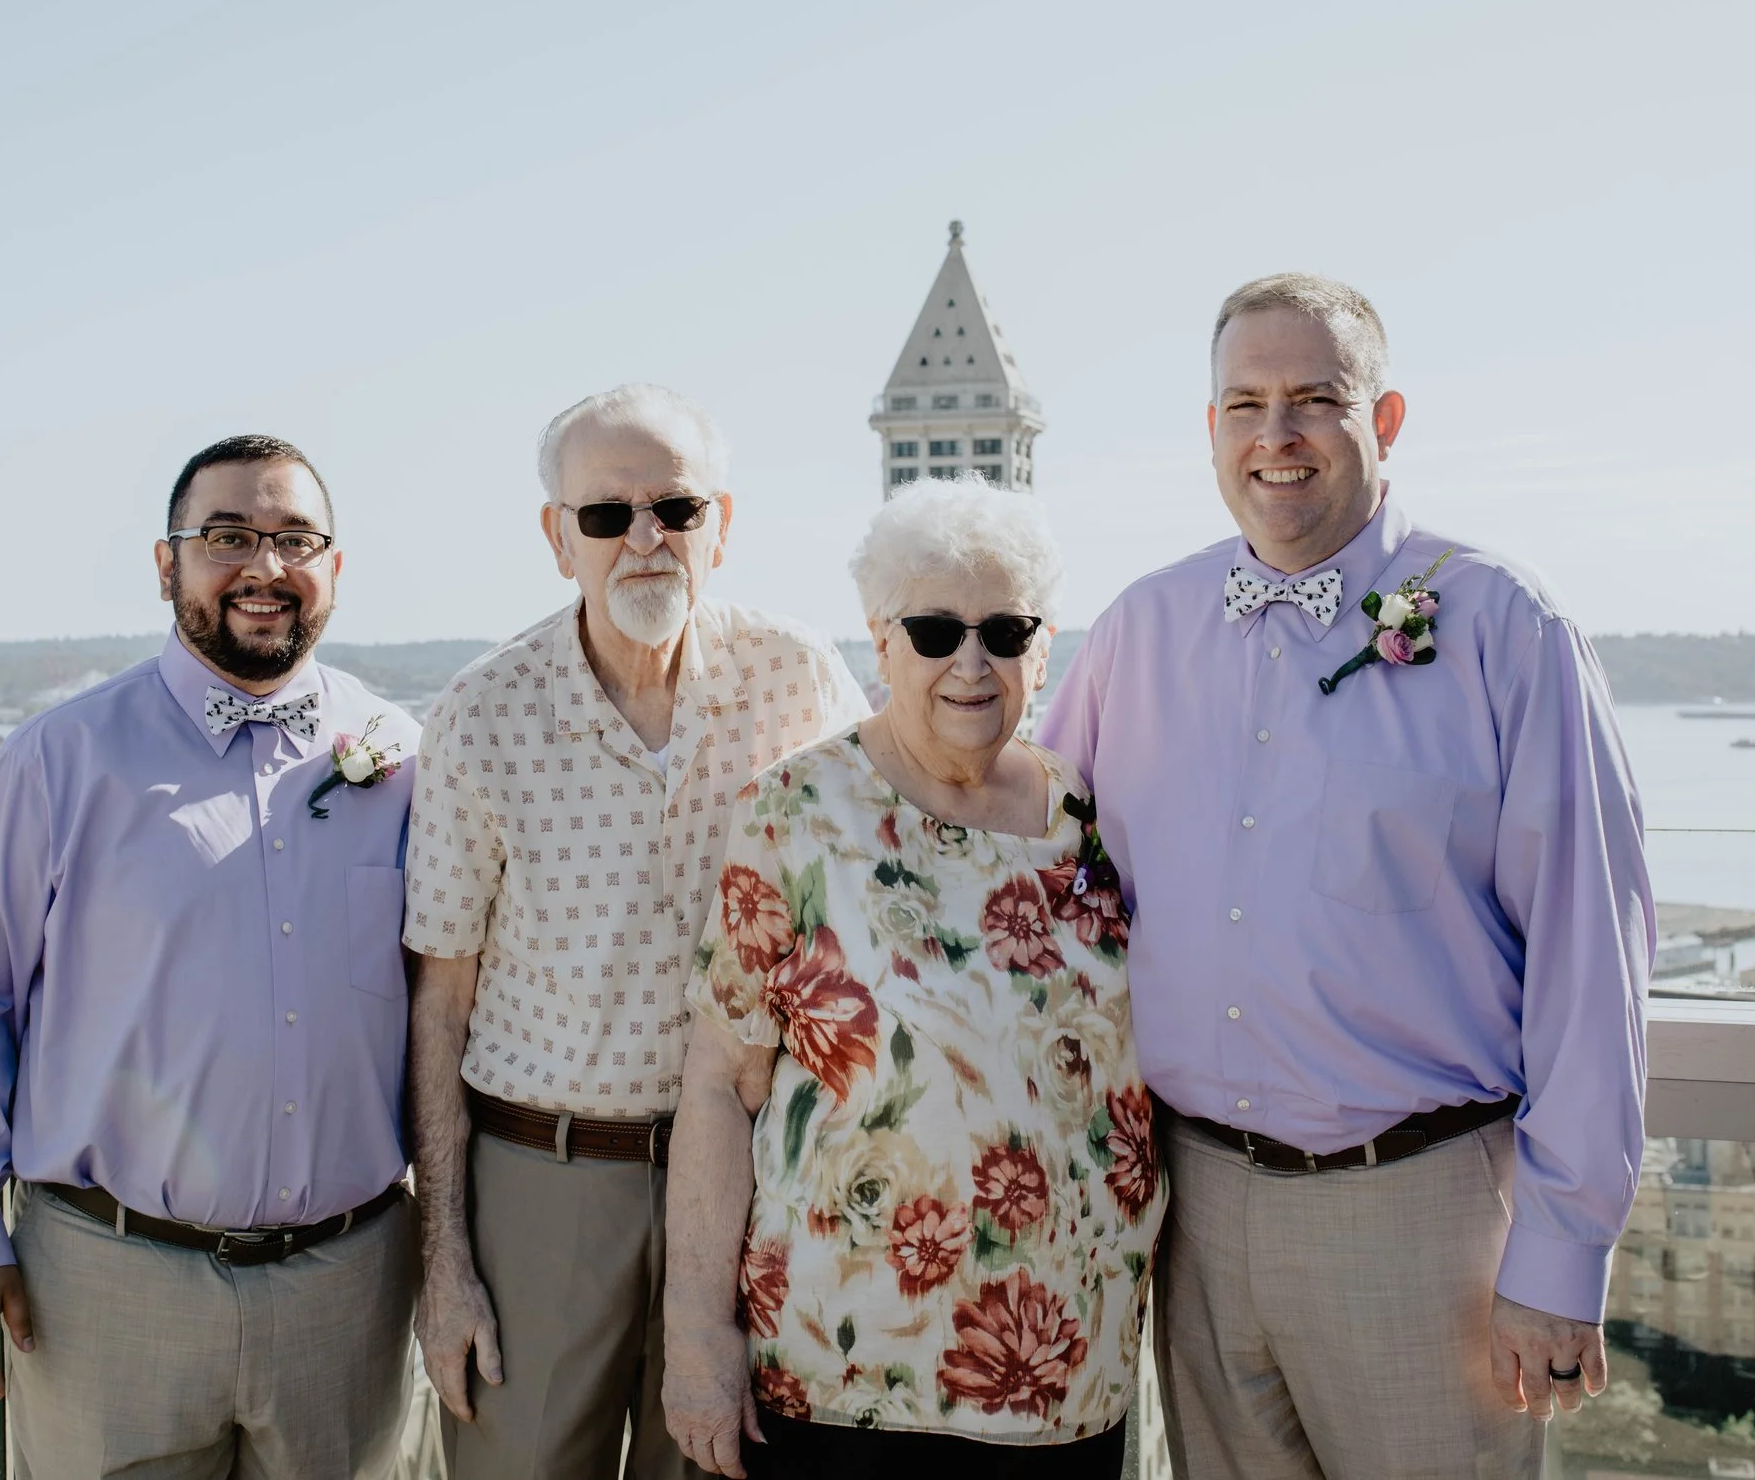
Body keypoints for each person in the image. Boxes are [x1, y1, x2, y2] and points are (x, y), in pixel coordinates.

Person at [1038, 274, 1654, 1479]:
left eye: (1315, 398)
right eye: (1244, 403)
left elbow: (1593, 958)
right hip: (1194, 1212)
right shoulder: (1136, 630)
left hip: (1423, 1223)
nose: (1276, 435)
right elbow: (1039, 876)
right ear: (1208, 427)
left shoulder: (1501, 625)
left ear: (1386, 419)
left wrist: (1562, 1255)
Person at [0, 434, 423, 1480]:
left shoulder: (401, 753)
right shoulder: (61, 757)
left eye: (293, 538)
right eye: (226, 536)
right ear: (166, 562)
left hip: (349, 1288)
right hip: (105, 1285)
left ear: (335, 567)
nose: (262, 566)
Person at [404, 384, 872, 1480]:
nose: (645, 538)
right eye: (607, 515)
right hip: (543, 1183)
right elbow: (440, 1003)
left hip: (752, 1182)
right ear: (557, 538)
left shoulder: (797, 677)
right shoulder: (482, 712)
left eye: (676, 507)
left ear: (723, 523)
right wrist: (446, 1265)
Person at [664, 476, 1163, 1480]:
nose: (970, 663)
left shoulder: (1099, 816)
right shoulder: (794, 812)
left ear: (1045, 643)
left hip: (1069, 1382)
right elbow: (720, 1084)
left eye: (1005, 630)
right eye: (934, 630)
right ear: (880, 639)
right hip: (840, 1383)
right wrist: (694, 1331)